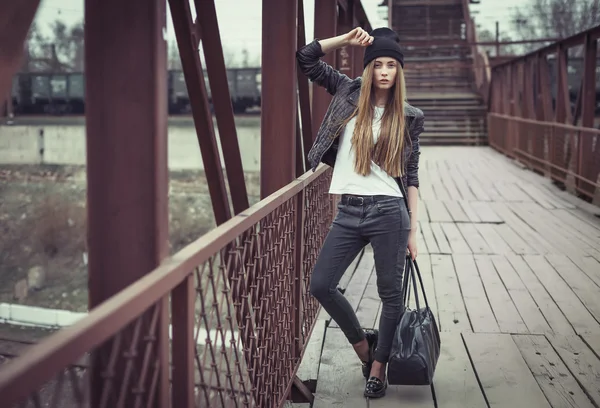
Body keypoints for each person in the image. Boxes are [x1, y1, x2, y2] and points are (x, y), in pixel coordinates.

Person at [296, 26, 423, 399]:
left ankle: (379, 369)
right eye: (377, 64)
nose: (384, 71)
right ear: (368, 69)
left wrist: (414, 231)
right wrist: (346, 42)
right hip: (348, 210)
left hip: (389, 211)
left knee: (390, 295)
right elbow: (305, 58)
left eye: (391, 65)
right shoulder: (347, 91)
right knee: (321, 284)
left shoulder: (410, 116)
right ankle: (364, 349)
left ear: (399, 71)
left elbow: (411, 178)